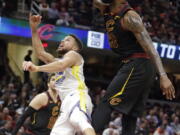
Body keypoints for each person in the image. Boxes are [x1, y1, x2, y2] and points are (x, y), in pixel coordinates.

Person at [92, 0, 175, 135]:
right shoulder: (107, 9)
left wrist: (163, 76)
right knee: (130, 114)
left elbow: (150, 48)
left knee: (106, 103)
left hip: (139, 63)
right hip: (137, 65)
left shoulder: (130, 17)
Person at [22, 14, 96, 135]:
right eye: (62, 39)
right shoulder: (58, 63)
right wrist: (34, 29)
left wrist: (37, 68)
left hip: (78, 96)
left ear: (75, 47)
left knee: (80, 121)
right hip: (65, 104)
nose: (62, 41)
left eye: (67, 40)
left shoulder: (74, 55)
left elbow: (61, 65)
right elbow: (40, 53)